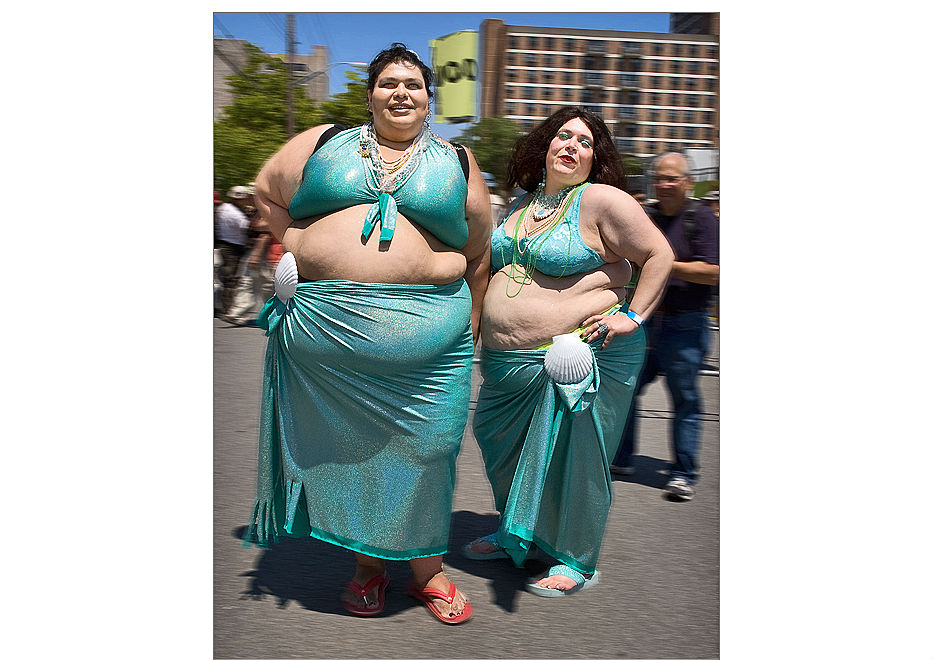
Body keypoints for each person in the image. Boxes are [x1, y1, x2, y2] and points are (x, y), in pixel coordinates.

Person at [241, 43, 490, 625]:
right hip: (329, 337)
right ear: (370, 95)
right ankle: (368, 568)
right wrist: (299, 243)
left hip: (431, 344)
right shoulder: (326, 141)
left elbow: (479, 248)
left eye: (413, 85)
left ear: (429, 99)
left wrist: (473, 322)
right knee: (351, 453)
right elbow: (266, 190)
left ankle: (428, 573)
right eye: (388, 83)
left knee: (429, 452)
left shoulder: (457, 160)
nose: (401, 93)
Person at [462, 107, 674, 596]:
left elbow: (659, 255)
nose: (572, 146)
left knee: (575, 459)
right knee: (498, 443)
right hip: (508, 365)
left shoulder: (600, 200)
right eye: (564, 135)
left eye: (585, 141)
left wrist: (632, 316)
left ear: (595, 159)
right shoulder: (523, 204)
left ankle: (575, 556)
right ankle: (518, 531)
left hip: (579, 356)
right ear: (545, 145)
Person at [610, 153, 720, 502]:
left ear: (688, 183)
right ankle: (622, 458)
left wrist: (666, 263)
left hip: (686, 325)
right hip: (646, 321)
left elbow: (714, 271)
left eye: (672, 178)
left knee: (684, 399)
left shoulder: (701, 217)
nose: (664, 184)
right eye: (659, 177)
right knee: (627, 390)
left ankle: (683, 474)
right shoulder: (649, 216)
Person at [215, 185, 252, 317]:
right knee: (231, 278)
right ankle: (227, 308)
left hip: (225, 244)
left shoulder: (224, 208)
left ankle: (223, 305)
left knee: (226, 277)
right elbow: (247, 227)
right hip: (233, 248)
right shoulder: (235, 214)